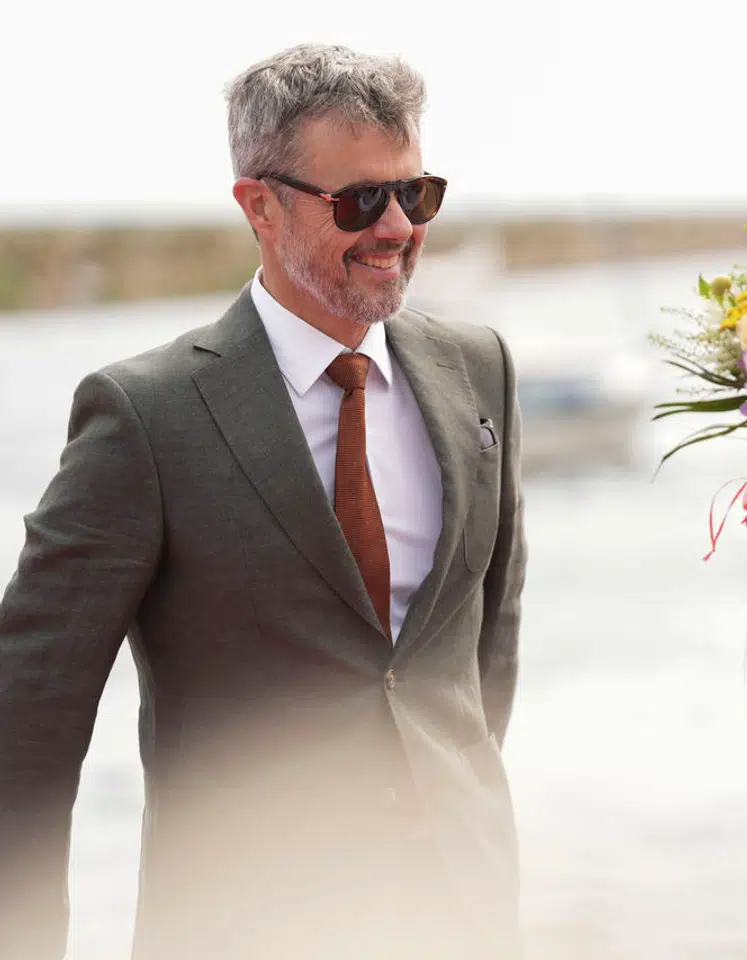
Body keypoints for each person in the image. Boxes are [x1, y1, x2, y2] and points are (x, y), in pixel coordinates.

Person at [0, 44, 527, 960]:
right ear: (260, 205)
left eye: (418, 193)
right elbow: (30, 715)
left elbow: (487, 645)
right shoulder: (145, 415)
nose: (398, 226)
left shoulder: (480, 368)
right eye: (361, 200)